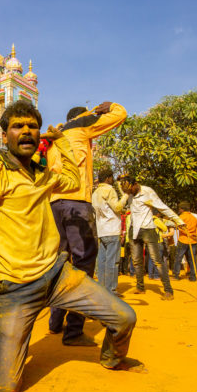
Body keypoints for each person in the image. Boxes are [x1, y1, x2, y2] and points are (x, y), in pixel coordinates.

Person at [0, 99, 137, 392]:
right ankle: (10, 336)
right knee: (5, 387)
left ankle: (112, 358)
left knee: (125, 318)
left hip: (59, 276)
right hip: (16, 288)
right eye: (17, 126)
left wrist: (61, 143)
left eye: (32, 126)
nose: (26, 132)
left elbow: (72, 180)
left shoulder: (42, 173)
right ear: (4, 134)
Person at [47, 101, 127, 345]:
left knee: (61, 262)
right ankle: (74, 331)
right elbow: (120, 115)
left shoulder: (55, 136)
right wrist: (110, 106)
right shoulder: (82, 125)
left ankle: (55, 322)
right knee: (82, 265)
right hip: (76, 203)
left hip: (54, 205)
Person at [124, 177, 185, 300]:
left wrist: (178, 220)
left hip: (148, 230)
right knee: (136, 260)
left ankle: (168, 290)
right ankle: (140, 286)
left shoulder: (147, 192)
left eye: (130, 190)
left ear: (135, 184)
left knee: (157, 260)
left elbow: (162, 207)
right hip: (133, 230)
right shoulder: (129, 194)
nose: (130, 192)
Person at [91, 168, 128, 294]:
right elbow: (117, 207)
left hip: (102, 230)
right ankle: (111, 290)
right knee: (113, 261)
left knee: (102, 261)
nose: (112, 180)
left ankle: (102, 288)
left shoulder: (95, 192)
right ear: (108, 178)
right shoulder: (109, 189)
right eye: (112, 178)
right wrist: (126, 195)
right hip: (112, 230)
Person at [173, 201, 197, 281]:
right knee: (191, 259)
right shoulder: (194, 218)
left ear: (182, 209)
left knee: (178, 258)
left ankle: (176, 275)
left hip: (183, 240)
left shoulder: (181, 217)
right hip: (193, 241)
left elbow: (179, 227)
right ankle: (193, 277)